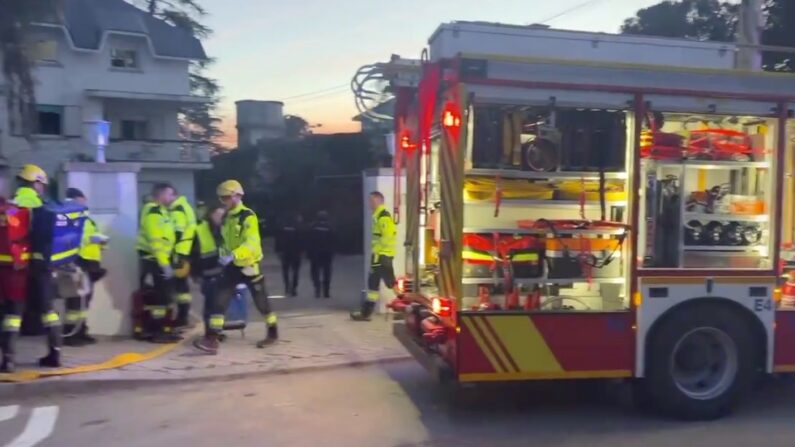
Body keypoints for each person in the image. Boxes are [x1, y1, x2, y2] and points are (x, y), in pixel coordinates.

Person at [193, 180, 278, 354]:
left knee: (262, 303)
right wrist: (224, 256)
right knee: (219, 301)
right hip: (231, 267)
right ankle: (211, 340)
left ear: (237, 196)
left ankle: (273, 332)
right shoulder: (228, 218)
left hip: (248, 266)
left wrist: (234, 255)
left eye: (226, 197)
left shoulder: (248, 216)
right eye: (222, 198)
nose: (224, 201)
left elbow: (252, 243)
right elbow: (226, 242)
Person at [9, 164, 62, 367]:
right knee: (48, 310)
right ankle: (55, 355)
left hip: (18, 266)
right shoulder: (42, 204)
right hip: (41, 265)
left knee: (13, 312)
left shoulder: (13, 204)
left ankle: (8, 360)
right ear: (36, 183)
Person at [63, 188, 109, 347]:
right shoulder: (71, 216)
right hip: (78, 261)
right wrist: (92, 239)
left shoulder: (87, 218)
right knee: (75, 301)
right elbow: (73, 238)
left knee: (85, 300)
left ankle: (81, 330)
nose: (84, 201)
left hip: (90, 263)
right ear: (77, 199)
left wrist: (101, 244)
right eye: (82, 198)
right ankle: (70, 333)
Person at [136, 183, 181, 343]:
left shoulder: (162, 212)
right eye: (169, 194)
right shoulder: (154, 213)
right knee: (161, 299)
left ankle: (160, 330)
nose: (172, 197)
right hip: (155, 260)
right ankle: (158, 332)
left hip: (158, 260)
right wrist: (164, 264)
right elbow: (156, 242)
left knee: (162, 298)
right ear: (161, 195)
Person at [351, 191, 396, 321]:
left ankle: (406, 302)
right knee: (373, 284)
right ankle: (366, 313)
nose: (369, 203)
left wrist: (379, 252)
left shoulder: (383, 216)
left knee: (390, 283)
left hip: (382, 256)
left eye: (371, 200)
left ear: (378, 200)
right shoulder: (377, 215)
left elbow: (387, 236)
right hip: (379, 256)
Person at [193, 204, 225, 339]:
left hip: (223, 273)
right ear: (211, 214)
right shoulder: (200, 230)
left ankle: (216, 332)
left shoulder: (224, 230)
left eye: (223, 215)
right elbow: (192, 254)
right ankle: (210, 332)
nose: (220, 218)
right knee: (211, 305)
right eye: (218, 214)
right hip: (208, 273)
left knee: (219, 305)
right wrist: (195, 274)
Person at [170, 193, 197, 328]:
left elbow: (177, 232)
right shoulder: (185, 206)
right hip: (186, 252)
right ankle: (184, 316)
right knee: (183, 287)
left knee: (179, 287)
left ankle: (182, 317)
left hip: (179, 253)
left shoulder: (177, 209)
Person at [275, 214, 304, 297]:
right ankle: (294, 288)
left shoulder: (282, 229)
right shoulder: (298, 229)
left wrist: (278, 251)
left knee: (286, 271)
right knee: (295, 271)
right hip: (296, 253)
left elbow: (278, 241)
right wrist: (302, 251)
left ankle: (287, 286)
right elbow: (301, 241)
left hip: (285, 253)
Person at [308, 210, 334, 299]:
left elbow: (309, 240)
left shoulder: (313, 226)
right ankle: (326, 291)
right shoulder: (330, 227)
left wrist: (309, 253)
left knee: (315, 272)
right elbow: (334, 240)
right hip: (327, 253)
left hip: (315, 253)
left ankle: (317, 289)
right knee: (327, 272)